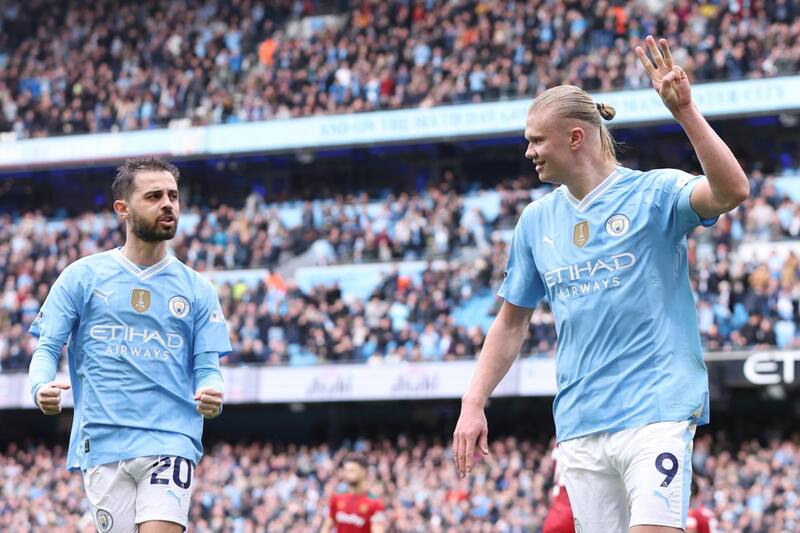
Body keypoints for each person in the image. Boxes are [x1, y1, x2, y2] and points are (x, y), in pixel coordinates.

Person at [452, 35, 749, 533]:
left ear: (575, 138)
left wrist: (686, 114)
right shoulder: (535, 221)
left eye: (536, 140)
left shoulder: (653, 194)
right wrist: (473, 401)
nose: (528, 152)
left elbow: (732, 190)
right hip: (580, 425)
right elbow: (510, 324)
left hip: (656, 411)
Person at [28, 157, 232, 533]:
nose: (168, 204)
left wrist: (213, 393)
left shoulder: (198, 289)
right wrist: (40, 386)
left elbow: (208, 370)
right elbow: (46, 347)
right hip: (102, 442)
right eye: (154, 196)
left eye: (173, 195)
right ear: (122, 209)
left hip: (171, 440)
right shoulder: (82, 277)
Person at [321, 454, 386, 533]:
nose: (347, 474)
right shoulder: (337, 497)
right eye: (346, 470)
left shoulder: (375, 502)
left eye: (352, 470)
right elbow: (327, 525)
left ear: (363, 472)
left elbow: (378, 530)